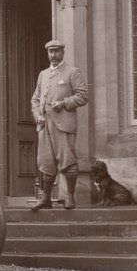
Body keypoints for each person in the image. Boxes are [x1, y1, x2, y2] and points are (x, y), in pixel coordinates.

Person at [30, 39, 88, 211]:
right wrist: (37, 115)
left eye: (56, 51)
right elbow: (35, 99)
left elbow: (83, 96)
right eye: (50, 52)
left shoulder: (72, 72)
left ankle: (70, 197)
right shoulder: (43, 74)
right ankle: (46, 198)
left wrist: (63, 103)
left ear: (63, 52)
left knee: (67, 160)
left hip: (63, 125)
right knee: (45, 162)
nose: (53, 55)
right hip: (44, 125)